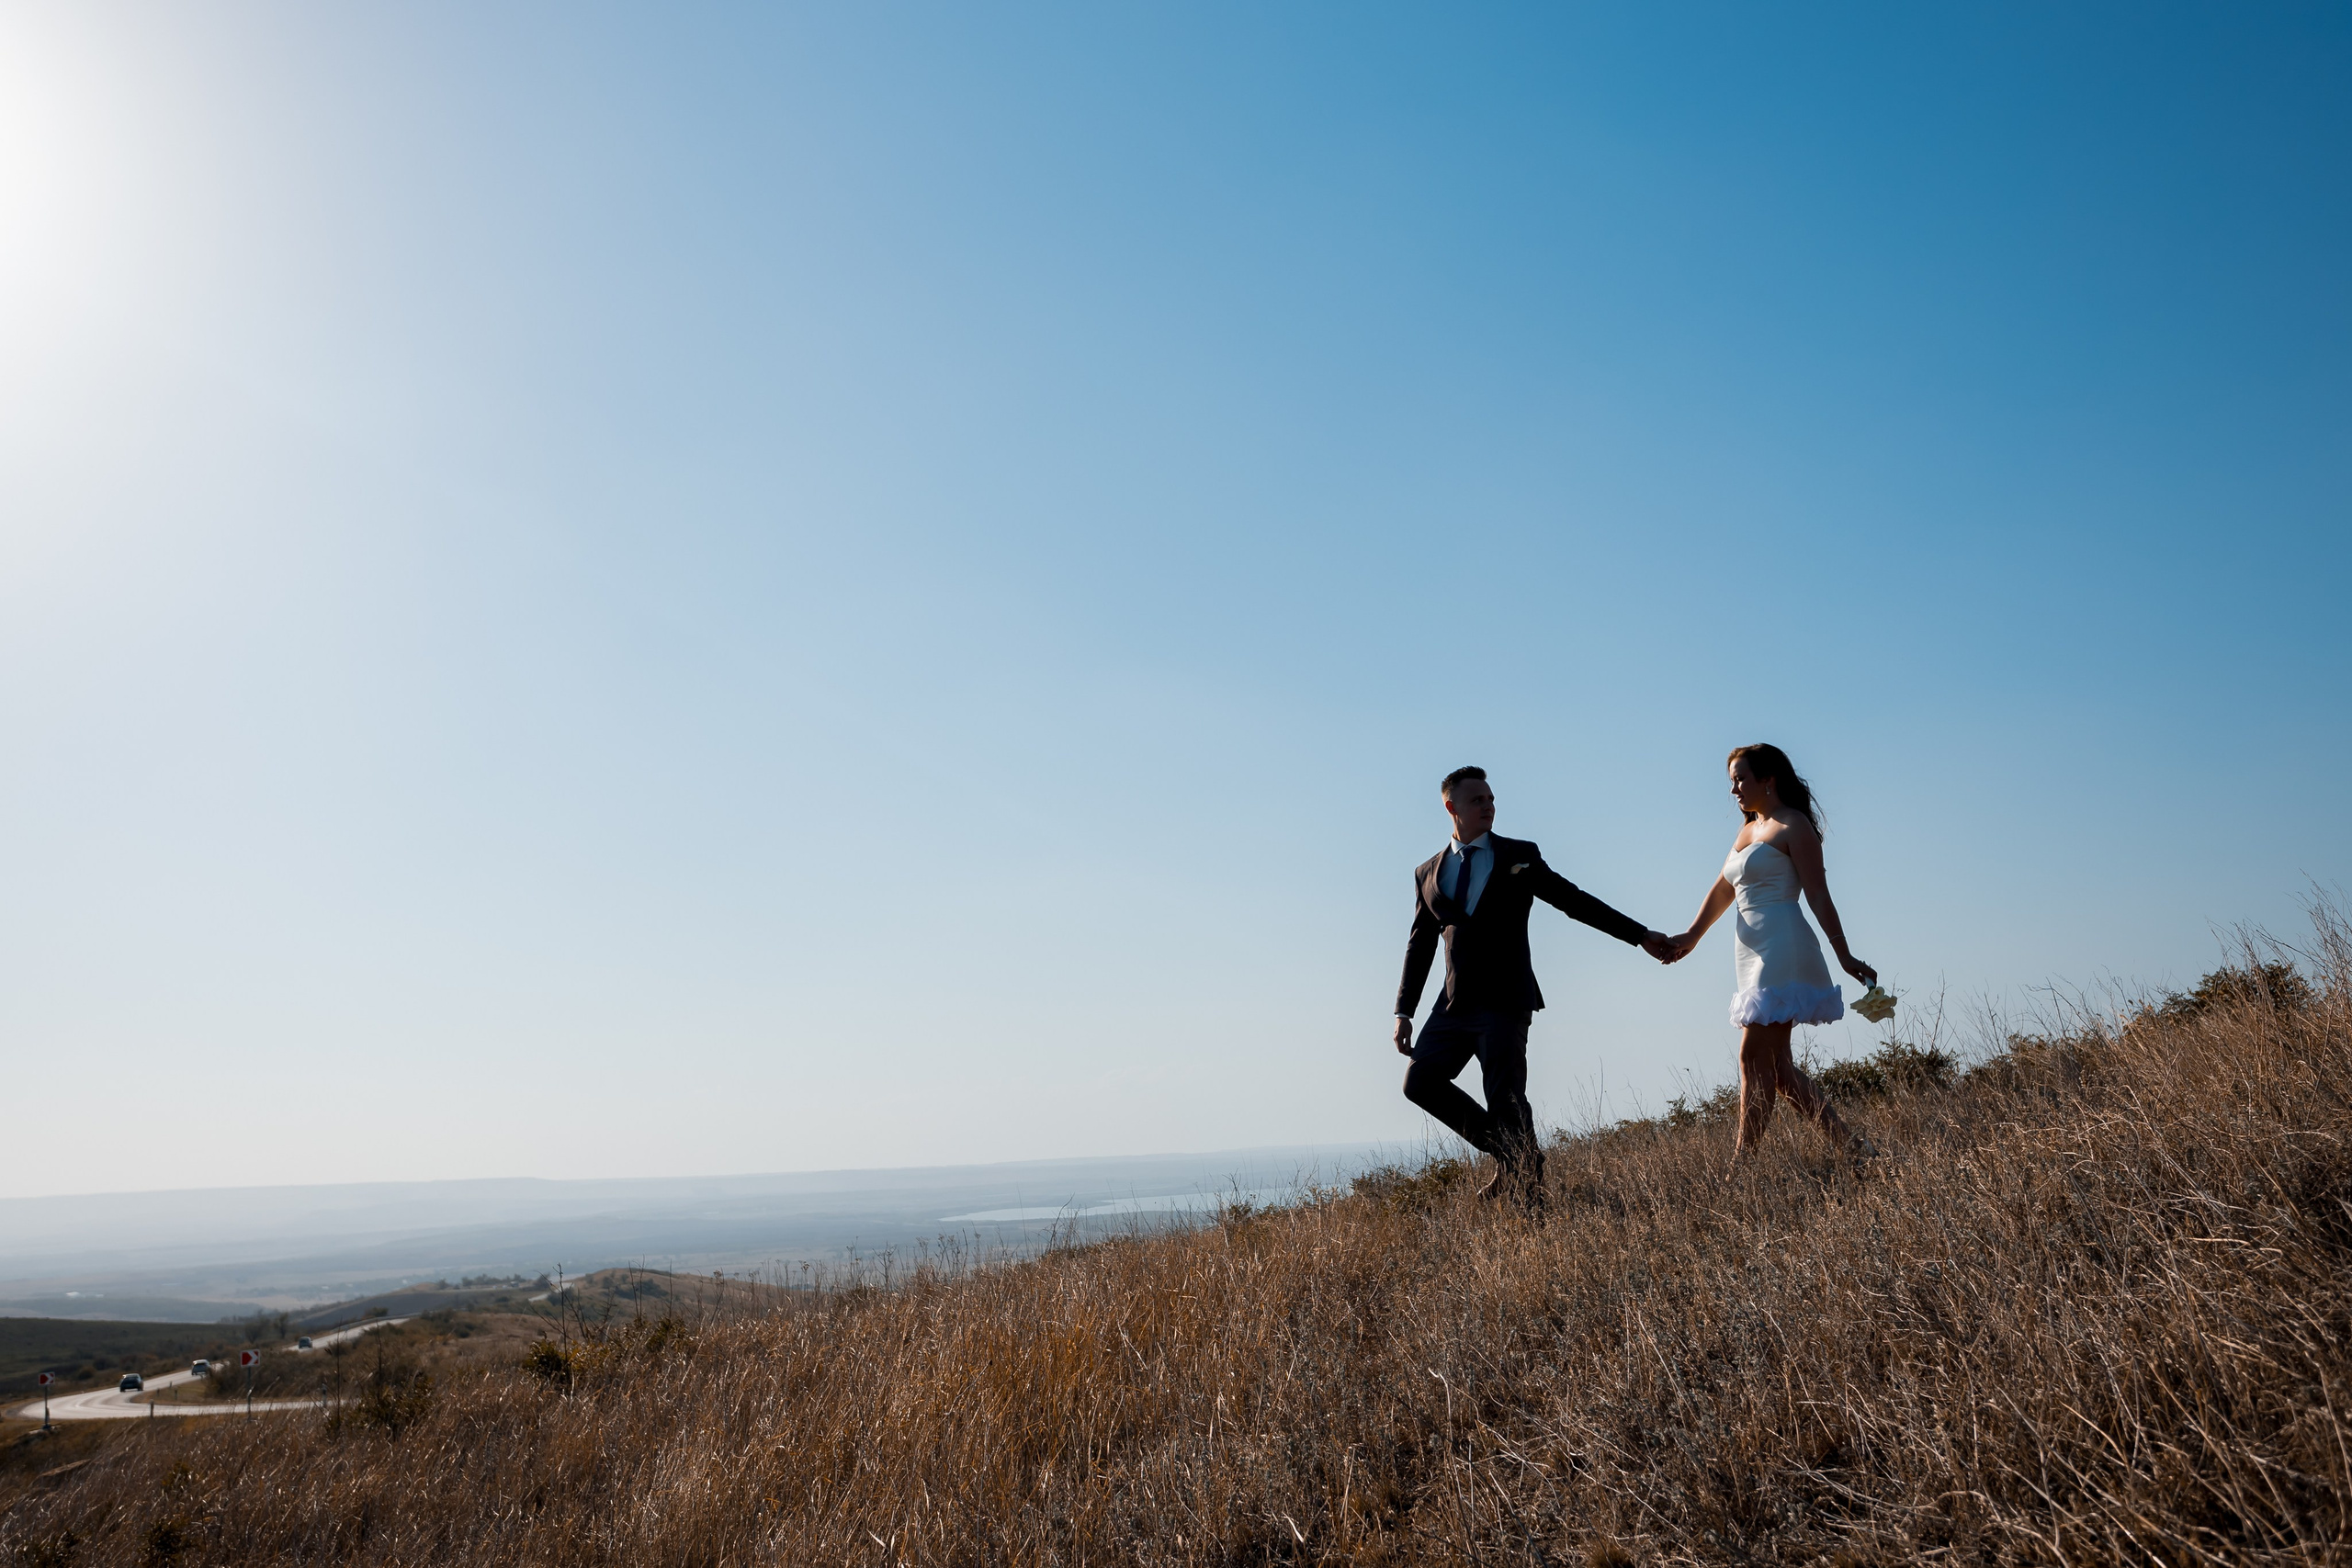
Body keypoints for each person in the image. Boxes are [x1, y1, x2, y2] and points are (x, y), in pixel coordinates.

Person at [1395, 766, 1678, 1208]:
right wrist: (1403, 1012)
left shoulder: (1518, 855)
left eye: (1490, 798)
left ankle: (1532, 1209)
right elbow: (1419, 945)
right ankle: (1517, 1155)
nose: (1488, 805)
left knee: (1505, 1097)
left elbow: (1574, 901)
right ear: (1451, 807)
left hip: (1505, 999)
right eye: (1476, 800)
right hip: (1452, 1004)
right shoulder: (1427, 872)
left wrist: (1639, 935)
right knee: (1419, 1082)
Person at [1662, 744, 1877, 1159]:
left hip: (1783, 945)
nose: (1734, 789)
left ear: (1768, 780)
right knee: (1778, 1070)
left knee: (1751, 1053)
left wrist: (1844, 955)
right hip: (1749, 952)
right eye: (1732, 781)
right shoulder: (1746, 832)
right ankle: (1855, 1151)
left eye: (1741, 779)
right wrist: (1691, 936)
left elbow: (1818, 894)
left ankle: (1741, 1166)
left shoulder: (1793, 826)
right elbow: (1724, 889)